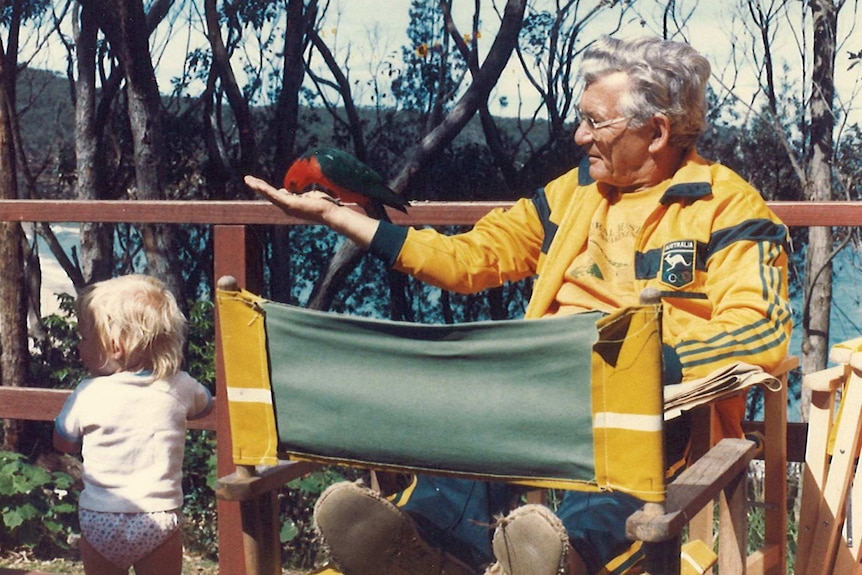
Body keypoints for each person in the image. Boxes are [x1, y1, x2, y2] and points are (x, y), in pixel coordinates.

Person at [245, 35, 792, 575]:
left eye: (595, 122)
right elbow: (469, 258)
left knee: (604, 489)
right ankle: (420, 549)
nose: (579, 136)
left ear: (657, 132)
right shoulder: (571, 194)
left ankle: (559, 560)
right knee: (473, 428)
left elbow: (760, 332)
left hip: (658, 409)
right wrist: (345, 218)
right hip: (547, 386)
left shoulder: (727, 207)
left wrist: (639, 367)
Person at [53, 274, 213, 575]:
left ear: (115, 346)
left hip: (100, 515)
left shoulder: (88, 392)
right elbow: (205, 403)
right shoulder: (181, 386)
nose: (79, 345)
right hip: (158, 515)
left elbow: (63, 441)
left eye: (85, 336)